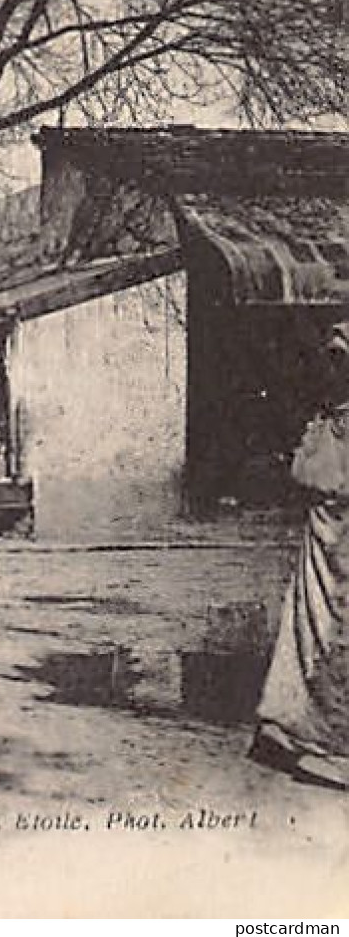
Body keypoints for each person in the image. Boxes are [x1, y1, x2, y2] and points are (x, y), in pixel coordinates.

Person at [250, 319, 349, 792]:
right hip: (331, 540)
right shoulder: (332, 423)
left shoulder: (332, 424)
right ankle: (316, 738)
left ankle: (305, 730)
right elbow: (311, 477)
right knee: (318, 630)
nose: (335, 371)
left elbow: (308, 475)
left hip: (333, 537)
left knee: (322, 632)